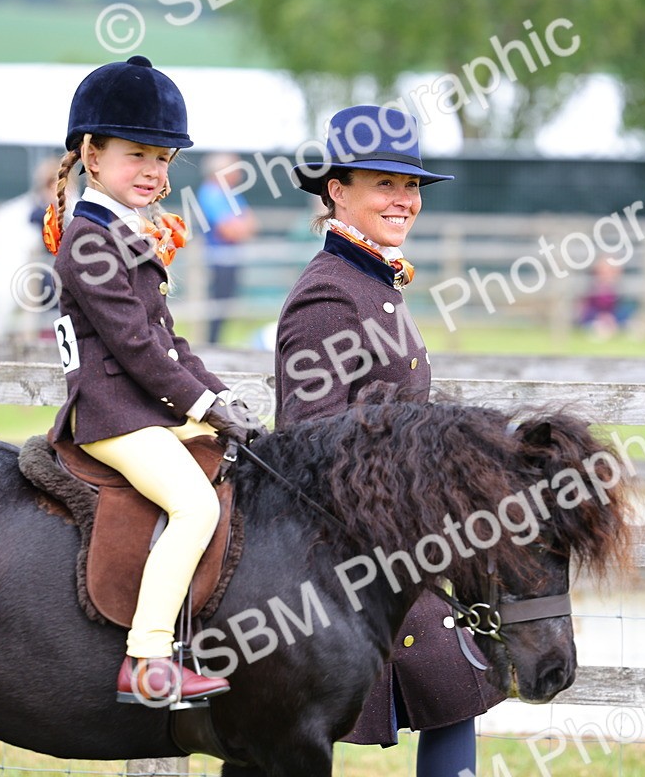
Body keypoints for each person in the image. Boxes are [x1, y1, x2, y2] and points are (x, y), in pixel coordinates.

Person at [275, 105, 504, 776]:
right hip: (350, 552)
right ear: (336, 191)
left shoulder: (374, 281)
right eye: (384, 184)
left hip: (402, 542)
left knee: (456, 690)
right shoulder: (328, 295)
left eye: (410, 188)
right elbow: (308, 444)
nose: (403, 200)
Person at [43, 55, 267, 708]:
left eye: (165, 160)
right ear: (91, 153)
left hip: (145, 407)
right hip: (112, 415)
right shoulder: (88, 240)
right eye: (138, 154)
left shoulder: (126, 233)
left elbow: (171, 341)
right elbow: (138, 349)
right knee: (194, 505)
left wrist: (221, 399)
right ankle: (147, 659)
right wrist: (201, 403)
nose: (154, 172)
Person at [197, 152, 258, 344]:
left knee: (226, 307)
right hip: (215, 261)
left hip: (230, 259)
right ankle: (210, 347)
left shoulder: (231, 193)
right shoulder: (211, 193)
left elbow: (252, 225)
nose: (238, 173)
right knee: (215, 309)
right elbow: (230, 230)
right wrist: (239, 227)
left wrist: (239, 227)